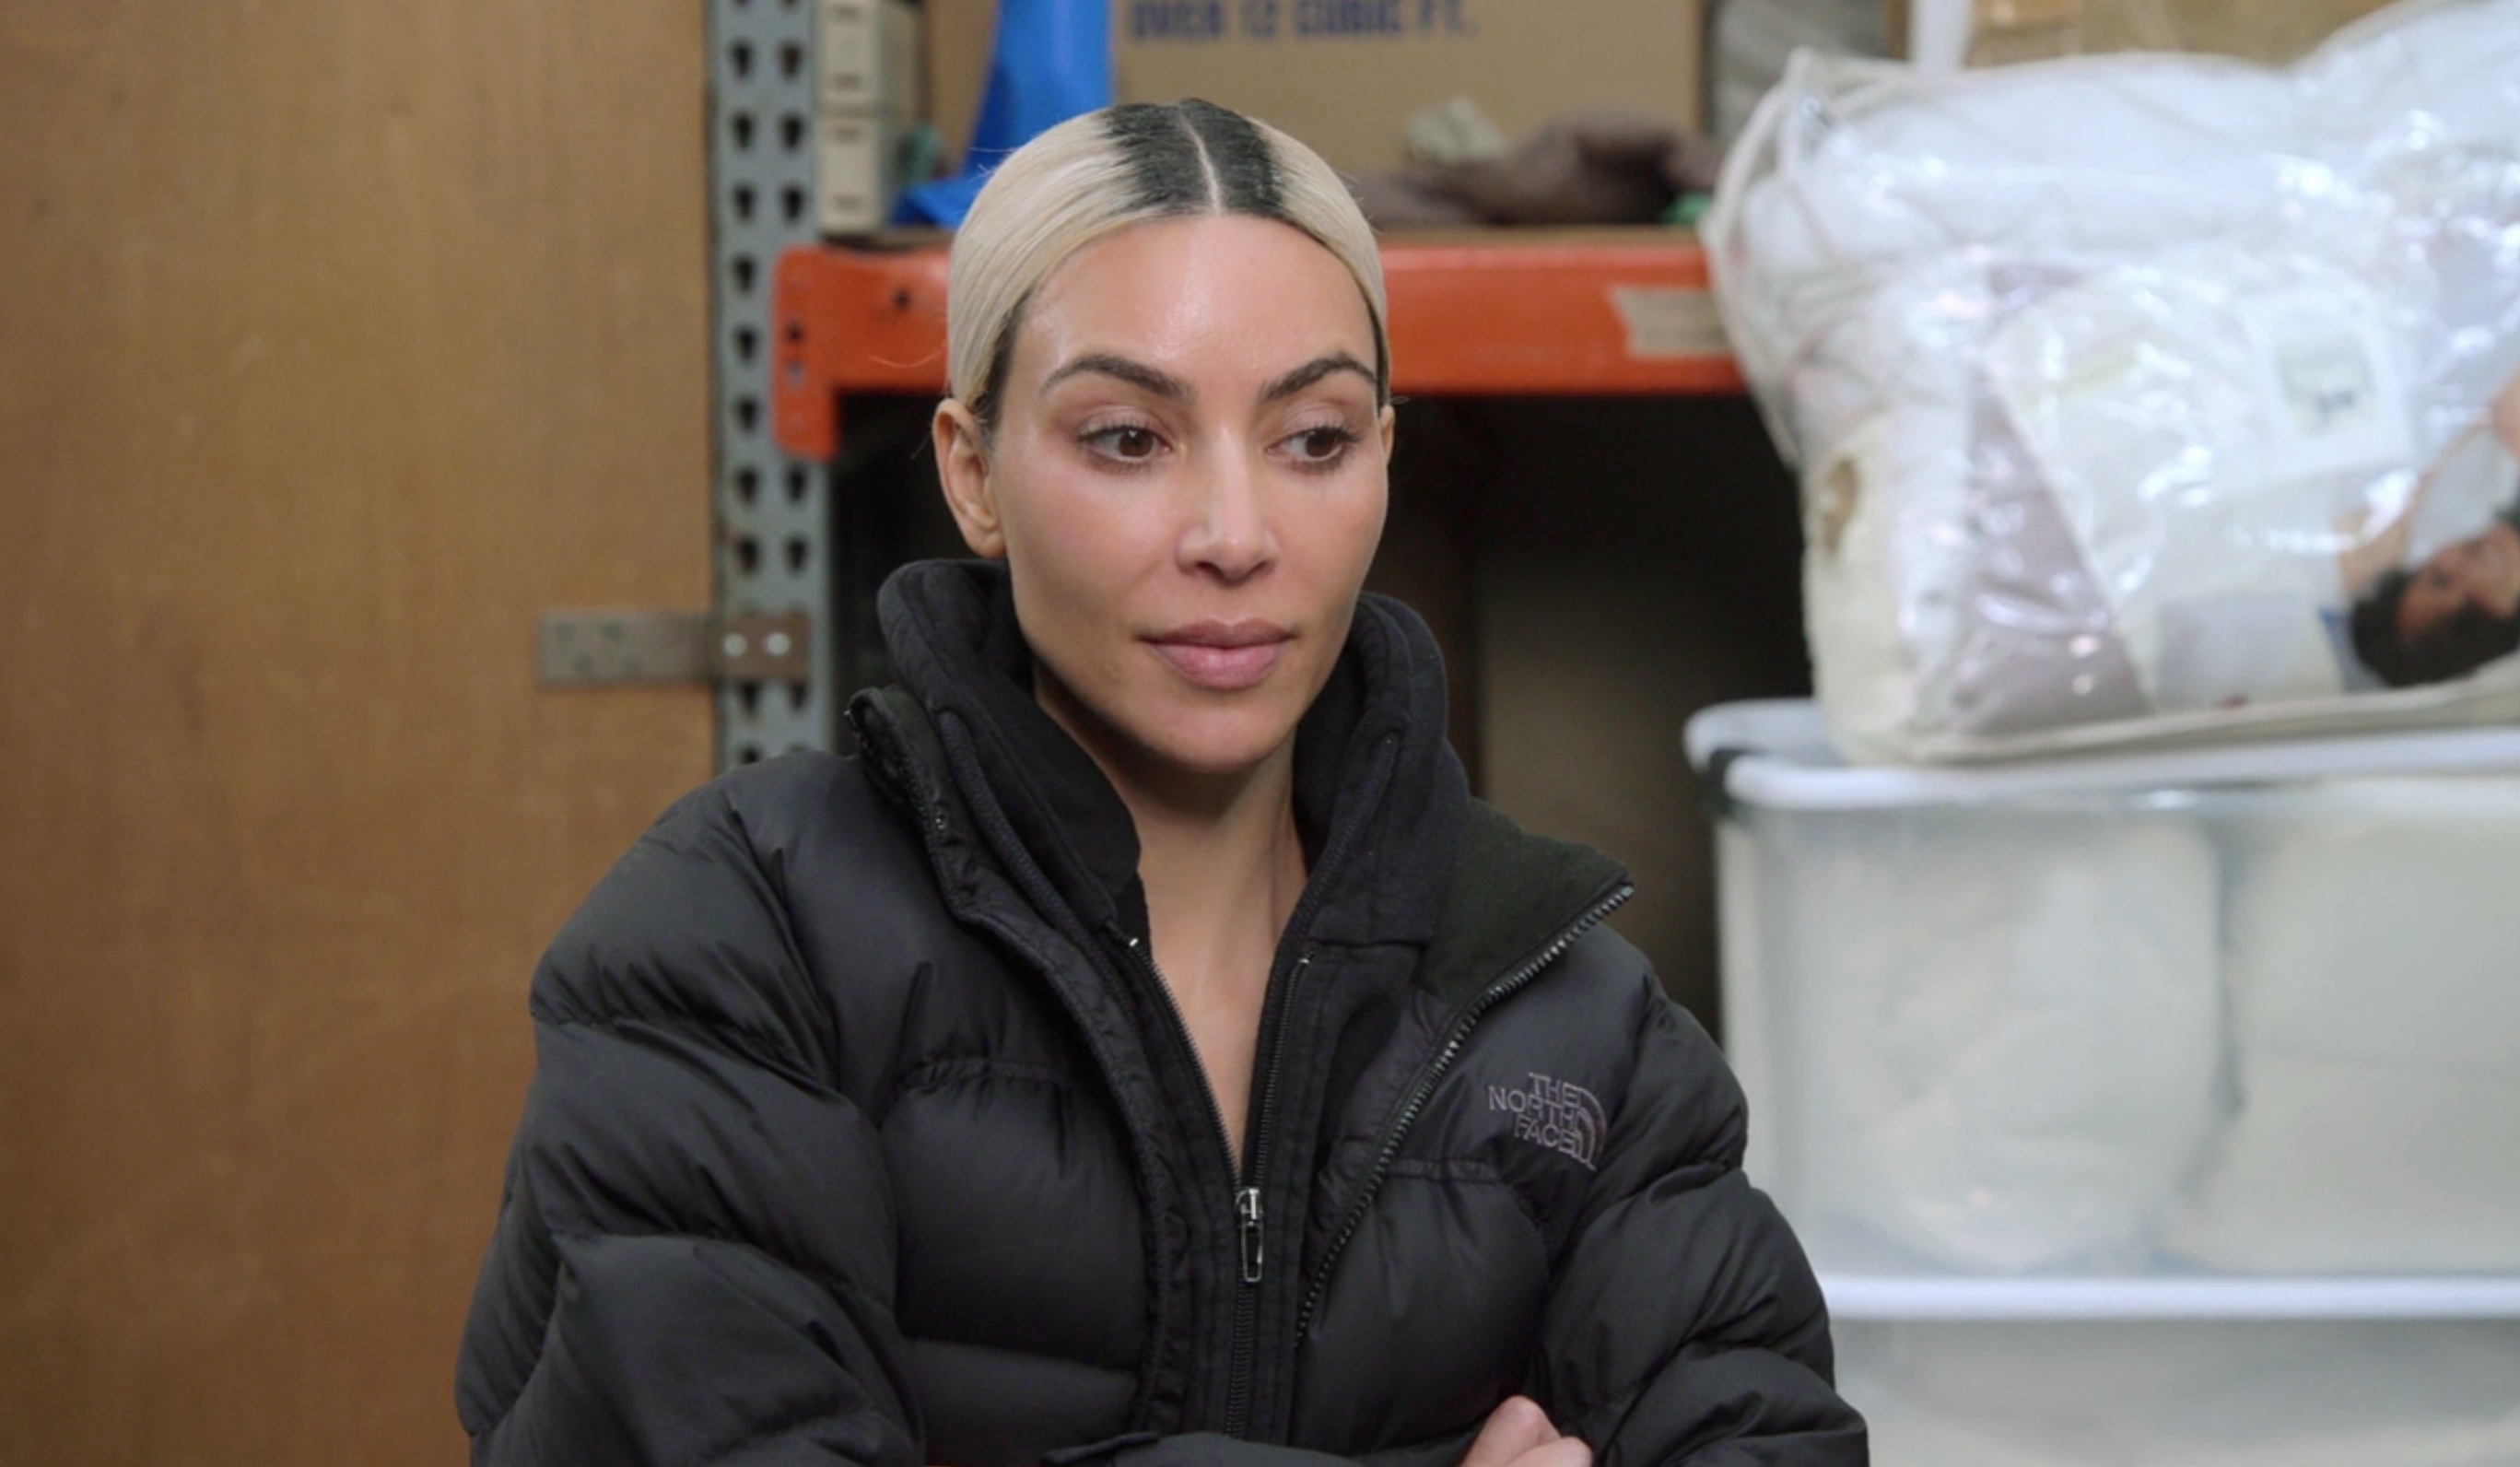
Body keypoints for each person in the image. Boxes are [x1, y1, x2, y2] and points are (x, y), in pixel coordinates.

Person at [454, 100, 1863, 1467]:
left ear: (1382, 458)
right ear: (973, 475)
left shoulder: (1573, 1023)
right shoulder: (740, 939)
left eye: (1311, 438)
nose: (1234, 535)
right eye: (1127, 438)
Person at [2350, 364, 2520, 687]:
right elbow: (2502, 375)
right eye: (2475, 611)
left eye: (2440, 578)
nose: (2473, 572)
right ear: (2509, 632)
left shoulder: (2504, 506)